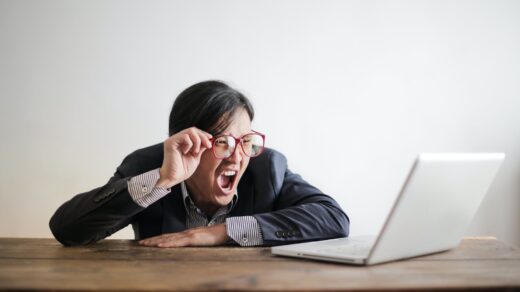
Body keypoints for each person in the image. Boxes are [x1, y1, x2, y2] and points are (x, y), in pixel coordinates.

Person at [49, 80, 350, 247]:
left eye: (245, 140)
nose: (237, 156)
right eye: (222, 142)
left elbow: (334, 219)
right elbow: (66, 229)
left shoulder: (267, 167)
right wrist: (162, 181)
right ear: (185, 141)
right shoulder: (148, 165)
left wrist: (220, 232)